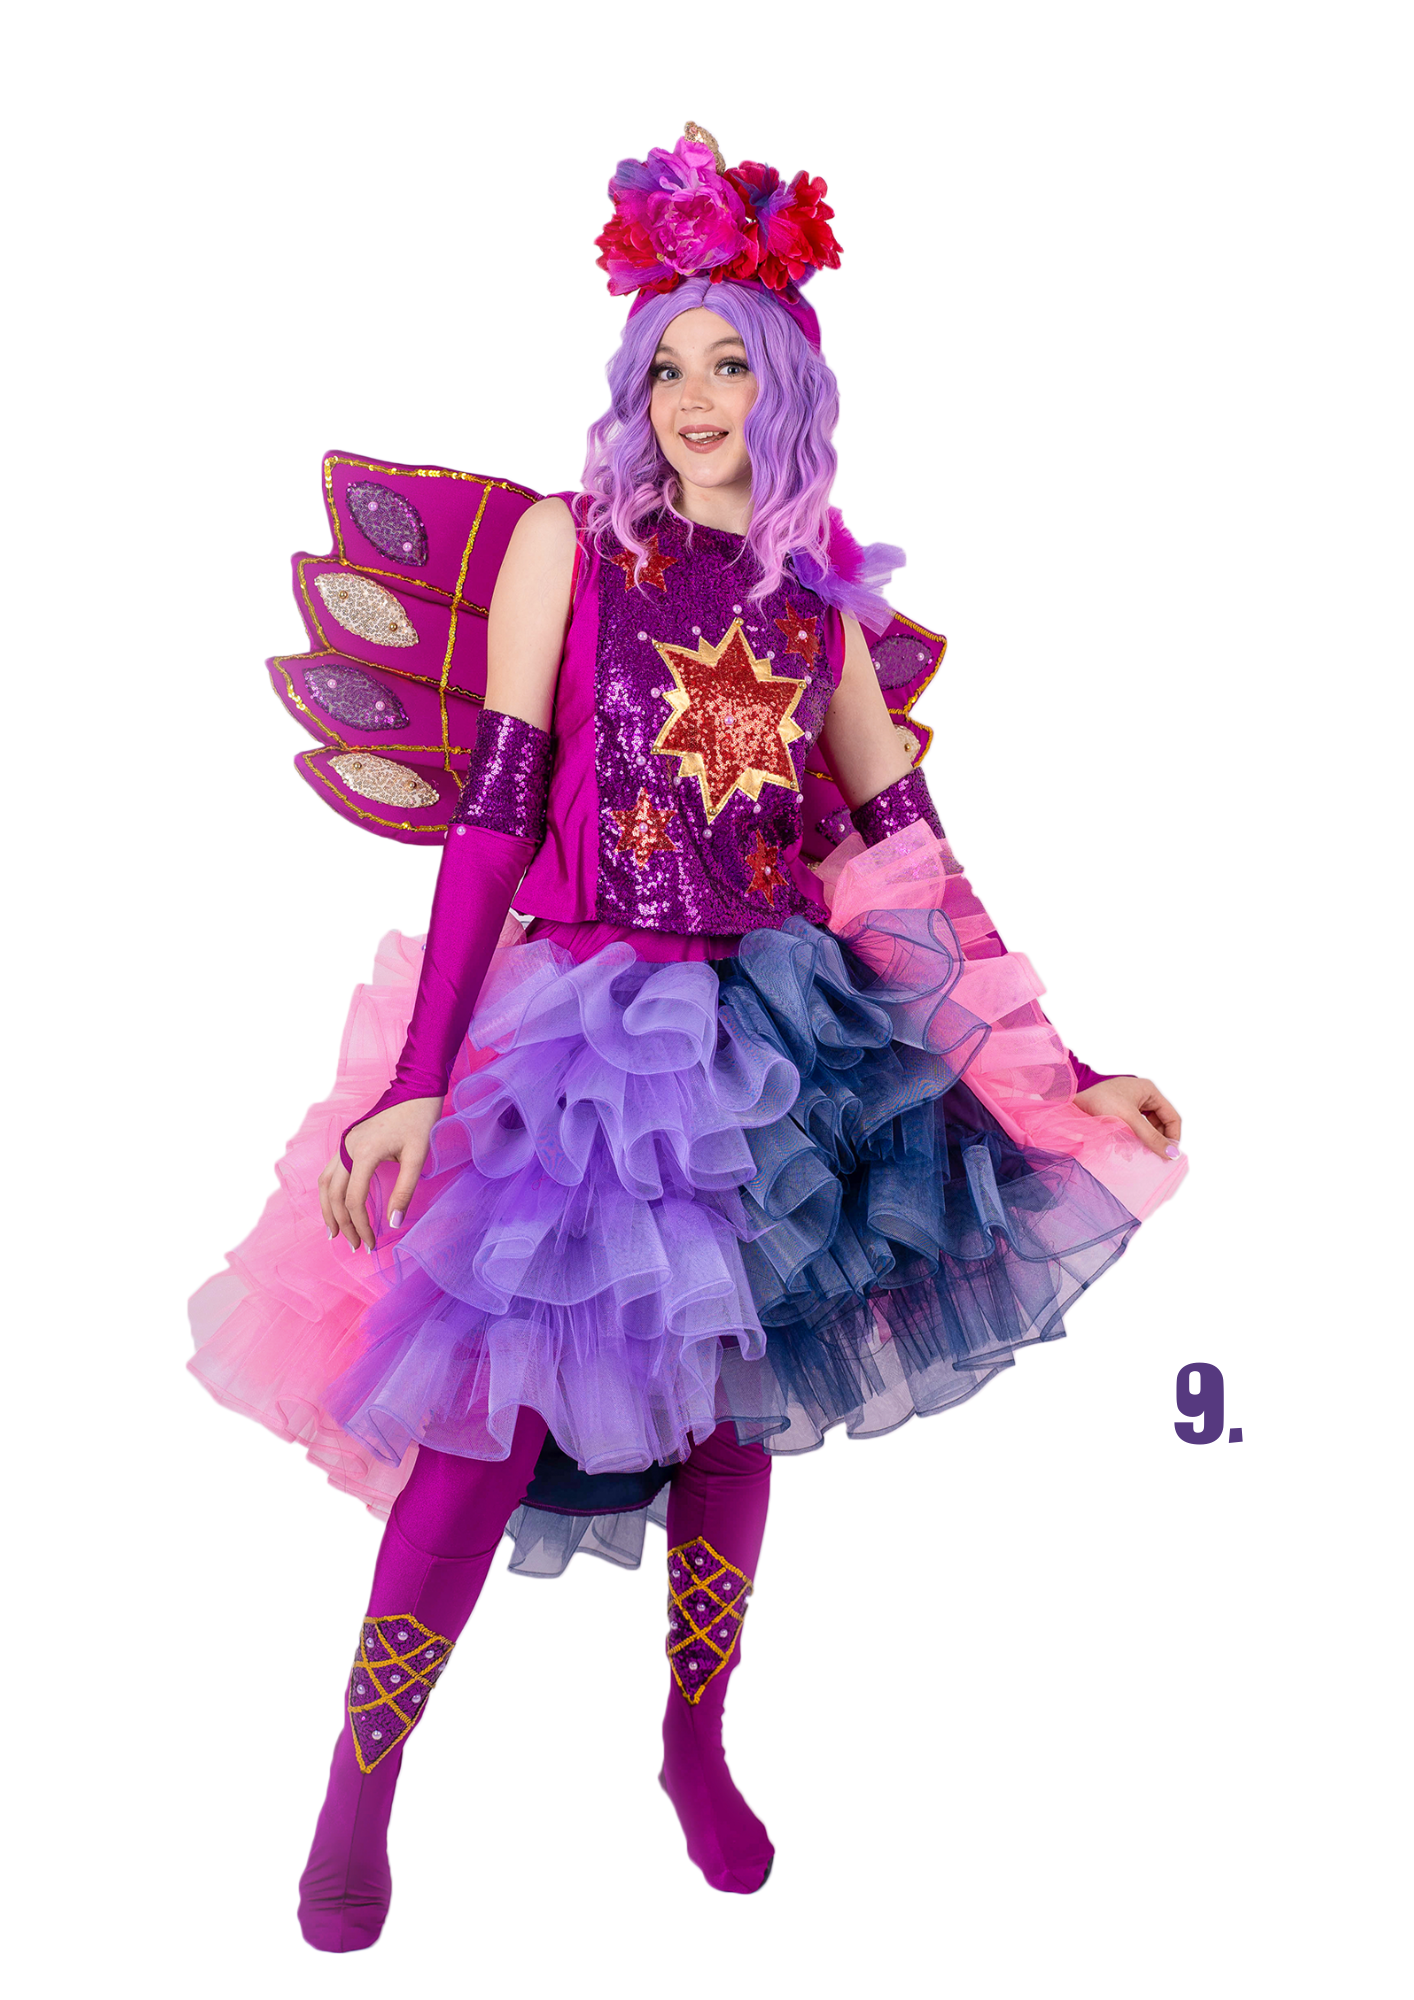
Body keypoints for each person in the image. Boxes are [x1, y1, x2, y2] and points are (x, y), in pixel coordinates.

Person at [190, 126, 1185, 1953]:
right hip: (581, 1031)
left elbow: (914, 878)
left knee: (733, 1406)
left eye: (732, 364)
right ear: (632, 387)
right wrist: (416, 1084)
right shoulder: (569, 550)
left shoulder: (818, 616)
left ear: (788, 386)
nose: (698, 398)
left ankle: (694, 1737)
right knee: (485, 1419)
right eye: (668, 366)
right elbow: (494, 814)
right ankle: (360, 1780)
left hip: (771, 1042)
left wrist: (1054, 1080)